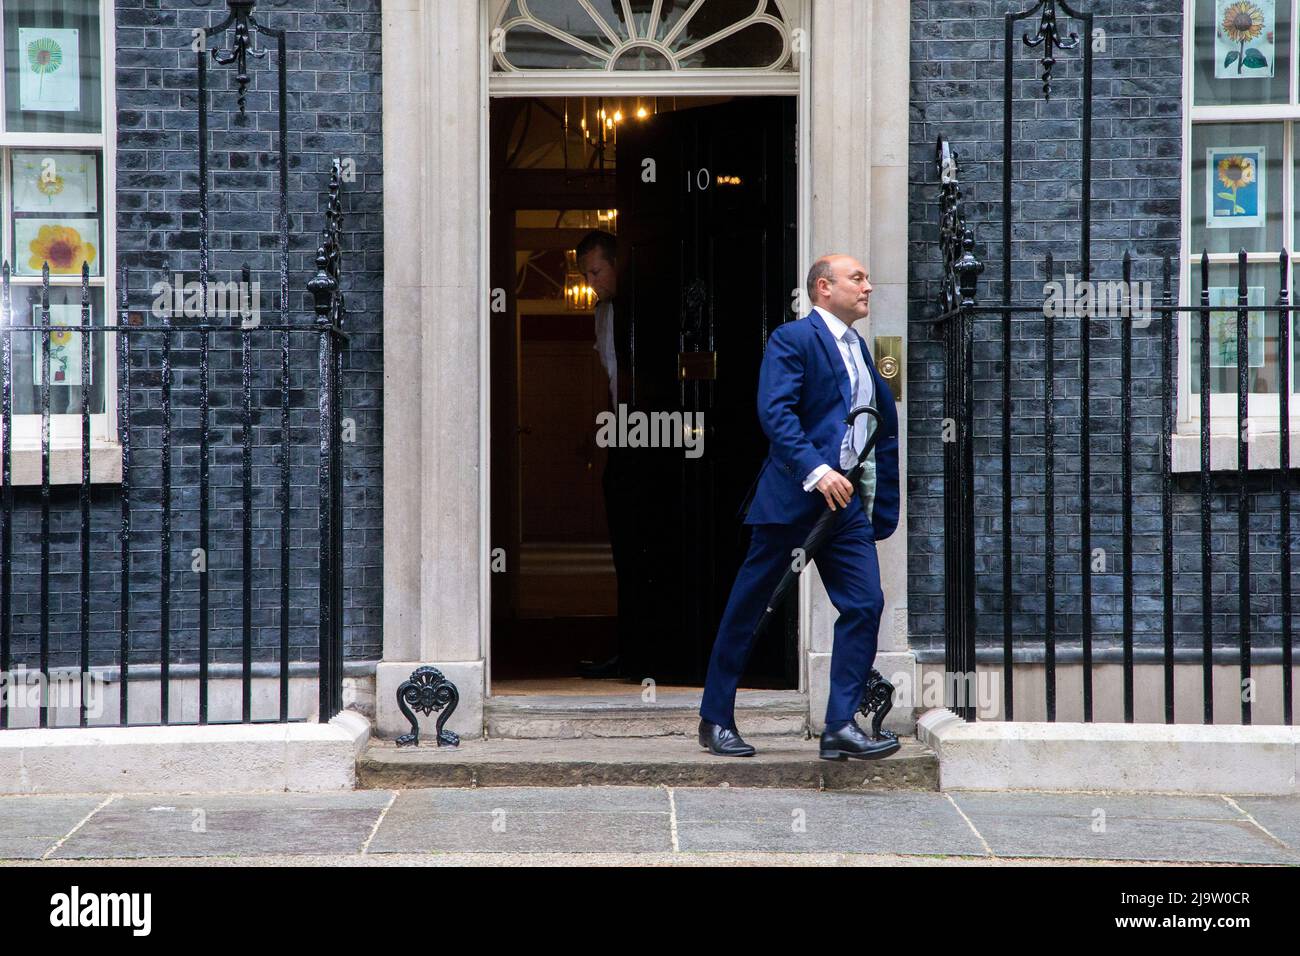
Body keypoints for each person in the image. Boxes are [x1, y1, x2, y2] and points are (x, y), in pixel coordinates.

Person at [697, 253, 901, 759]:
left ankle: (839, 726)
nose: (869, 287)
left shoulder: (861, 350)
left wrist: (873, 494)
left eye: (868, 279)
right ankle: (715, 718)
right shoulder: (792, 339)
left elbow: (879, 427)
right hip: (794, 499)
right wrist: (817, 470)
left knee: (864, 603)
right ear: (824, 288)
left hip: (846, 505)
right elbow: (776, 413)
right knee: (750, 610)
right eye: (858, 278)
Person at [574, 230, 643, 680]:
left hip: (658, 436)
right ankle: (629, 650)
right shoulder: (602, 315)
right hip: (623, 437)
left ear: (618, 264)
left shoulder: (644, 306)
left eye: (597, 272)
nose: (592, 282)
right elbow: (609, 381)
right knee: (624, 549)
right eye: (585, 275)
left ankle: (648, 651)